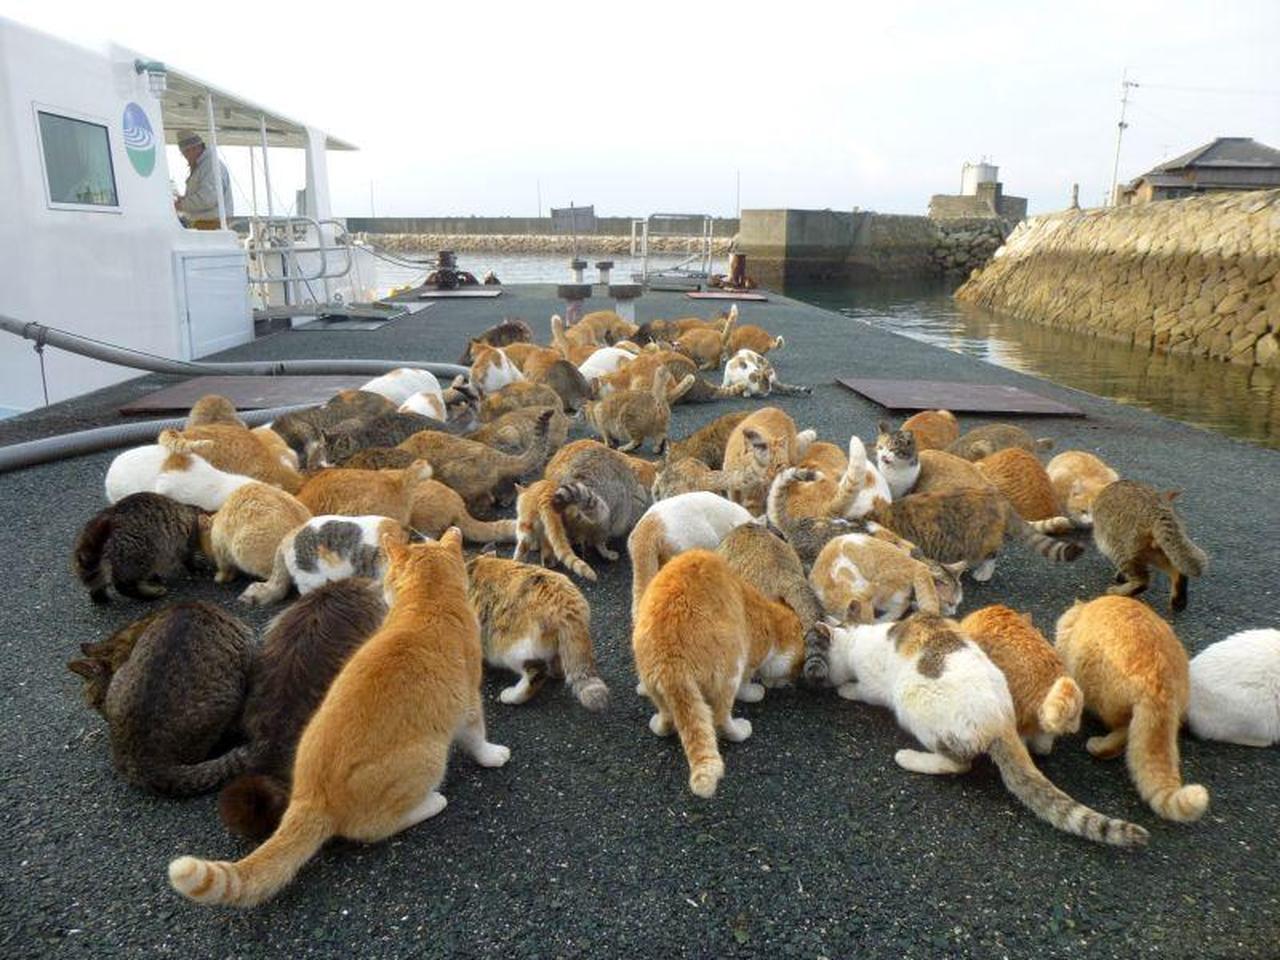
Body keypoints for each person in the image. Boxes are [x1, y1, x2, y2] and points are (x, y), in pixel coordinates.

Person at [173, 130, 232, 229]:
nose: (186, 157)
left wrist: (181, 205)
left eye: (185, 153)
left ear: (193, 148)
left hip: (212, 225)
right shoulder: (203, 165)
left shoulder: (210, 165)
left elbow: (208, 199)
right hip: (206, 224)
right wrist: (185, 200)